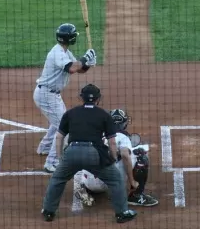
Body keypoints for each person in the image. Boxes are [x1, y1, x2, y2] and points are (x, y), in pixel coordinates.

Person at [41, 84, 137, 224]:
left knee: (57, 179)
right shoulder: (104, 115)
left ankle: (48, 212)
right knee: (115, 180)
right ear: (98, 99)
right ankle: (122, 213)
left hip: (72, 152)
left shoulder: (70, 113)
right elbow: (112, 142)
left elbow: (59, 137)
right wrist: (112, 159)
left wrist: (61, 158)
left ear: (81, 98)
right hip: (94, 154)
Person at [33, 23, 97, 173]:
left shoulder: (65, 52)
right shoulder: (57, 53)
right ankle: (51, 163)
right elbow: (72, 68)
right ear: (70, 38)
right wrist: (85, 57)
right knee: (65, 127)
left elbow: (79, 69)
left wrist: (88, 63)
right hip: (46, 95)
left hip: (51, 94)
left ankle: (45, 147)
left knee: (59, 122)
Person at [75, 108, 159, 207]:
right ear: (123, 124)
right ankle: (136, 196)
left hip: (89, 182)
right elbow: (125, 155)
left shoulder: (95, 132)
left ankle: (84, 188)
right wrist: (132, 180)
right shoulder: (122, 137)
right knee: (141, 156)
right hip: (107, 183)